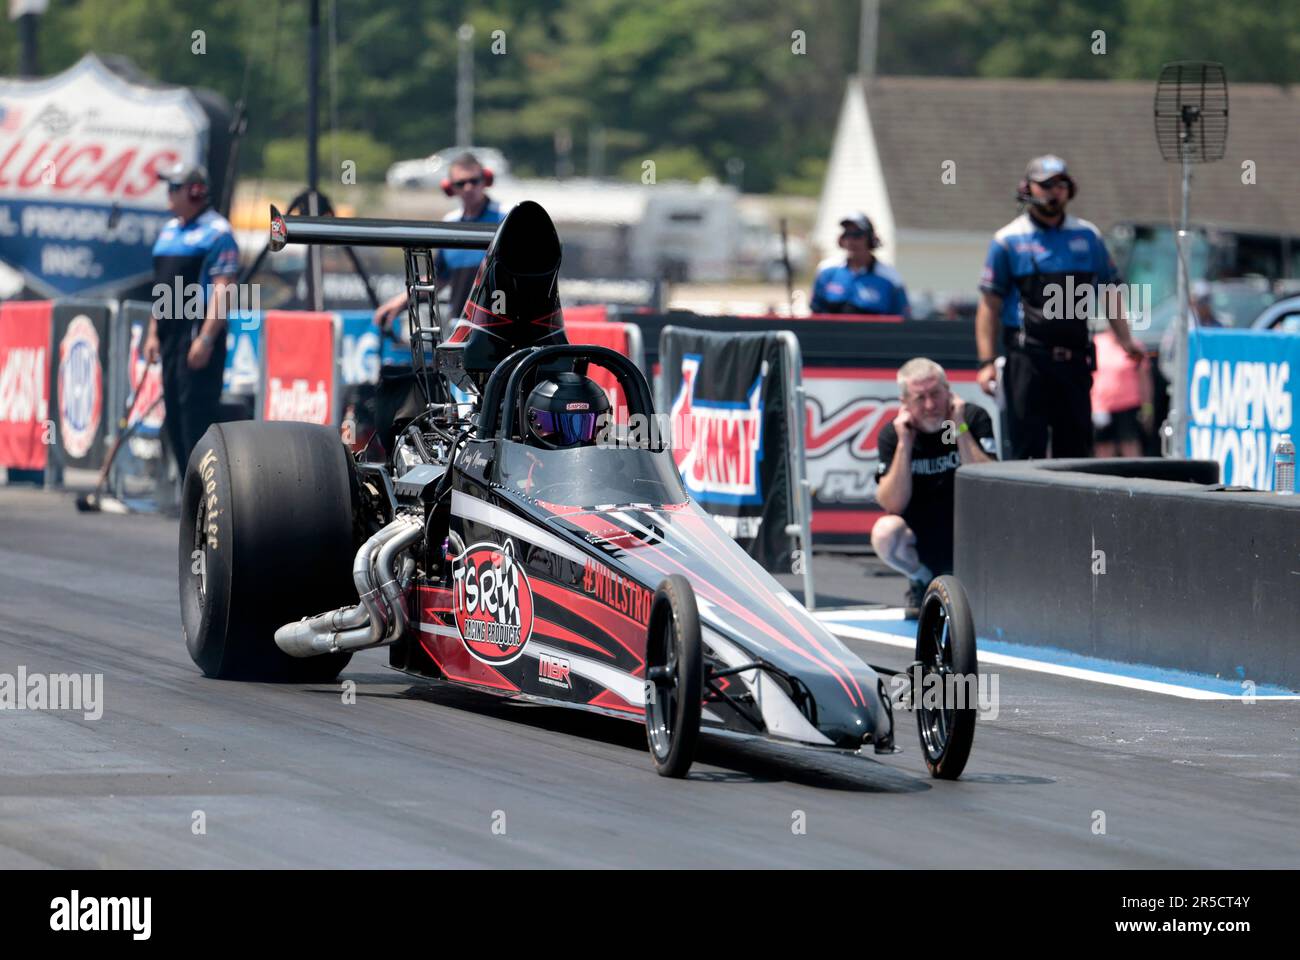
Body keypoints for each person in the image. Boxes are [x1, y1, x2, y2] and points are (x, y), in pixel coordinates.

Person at [975, 155, 1144, 459]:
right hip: (1028, 361)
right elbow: (989, 305)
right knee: (1028, 450)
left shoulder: (1088, 235)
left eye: (1061, 184)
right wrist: (987, 360)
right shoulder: (1008, 240)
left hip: (1075, 360)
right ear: (1028, 189)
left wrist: (1126, 340)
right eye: (1046, 185)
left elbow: (1109, 290)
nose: (1055, 191)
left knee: (1076, 451)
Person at [872, 358, 997, 618]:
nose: (930, 405)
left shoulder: (973, 418)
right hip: (922, 538)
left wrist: (959, 427)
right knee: (885, 533)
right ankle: (921, 580)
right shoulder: (892, 435)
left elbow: (989, 483)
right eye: (920, 398)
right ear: (905, 402)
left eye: (936, 394)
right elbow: (892, 504)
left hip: (972, 535)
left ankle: (985, 587)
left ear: (948, 390)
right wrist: (905, 444)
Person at [143, 162, 240, 476]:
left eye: (175, 188)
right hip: (170, 333)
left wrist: (207, 338)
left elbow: (224, 290)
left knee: (194, 415)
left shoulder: (218, 232)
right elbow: (162, 288)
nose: (169, 194)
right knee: (172, 415)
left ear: (196, 191)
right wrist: (153, 333)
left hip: (197, 332)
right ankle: (187, 488)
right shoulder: (169, 231)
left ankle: (205, 490)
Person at [372, 151, 505, 330]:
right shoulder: (450, 224)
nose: (468, 188)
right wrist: (400, 302)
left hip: (501, 328)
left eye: (474, 181)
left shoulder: (505, 218)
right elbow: (438, 277)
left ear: (486, 180)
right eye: (461, 183)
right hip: (461, 327)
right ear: (450, 188)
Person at [810, 212, 910, 317]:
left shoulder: (890, 278)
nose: (851, 241)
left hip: (872, 333)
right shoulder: (827, 271)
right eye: (847, 235)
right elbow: (815, 312)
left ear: (870, 240)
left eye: (857, 235)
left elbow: (902, 318)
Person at [1091, 327, 1153, 457]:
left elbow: (1144, 380)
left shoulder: (1134, 346)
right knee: (1103, 448)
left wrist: (1147, 408)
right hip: (1101, 409)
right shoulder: (1097, 343)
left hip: (1128, 408)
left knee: (1130, 446)